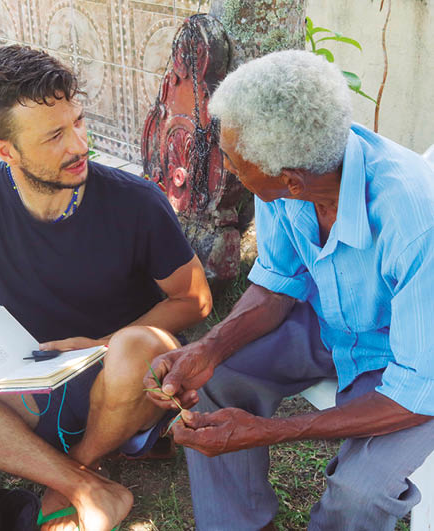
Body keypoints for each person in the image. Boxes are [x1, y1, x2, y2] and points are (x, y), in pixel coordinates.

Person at [0, 45, 212, 531]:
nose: (80, 145)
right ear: (6, 151)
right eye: (55, 136)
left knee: (131, 349)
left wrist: (101, 343)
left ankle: (75, 469)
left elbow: (196, 299)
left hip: (124, 376)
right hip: (35, 372)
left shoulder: (134, 202)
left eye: (79, 122)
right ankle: (87, 487)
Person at [145, 50, 434, 530]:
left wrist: (272, 431)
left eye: (236, 165)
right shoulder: (289, 183)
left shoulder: (414, 220)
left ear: (290, 178)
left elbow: (416, 389)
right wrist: (209, 347)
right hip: (330, 323)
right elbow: (278, 284)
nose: (230, 170)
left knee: (360, 494)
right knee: (213, 381)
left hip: (411, 362)